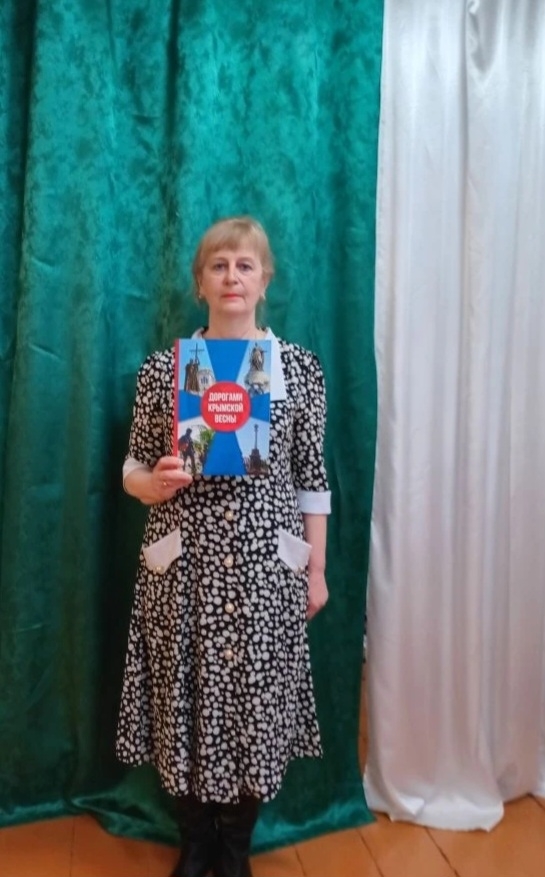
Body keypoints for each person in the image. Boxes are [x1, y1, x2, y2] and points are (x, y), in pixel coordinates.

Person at [117, 216, 331, 877]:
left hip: (266, 571)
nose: (231, 276)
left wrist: (316, 569)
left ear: (265, 280)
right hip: (182, 567)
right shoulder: (164, 370)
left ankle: (235, 845)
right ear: (200, 283)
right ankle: (196, 840)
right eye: (218, 265)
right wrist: (153, 481)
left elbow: (312, 479)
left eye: (244, 264)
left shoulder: (298, 370)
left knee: (255, 707)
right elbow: (131, 469)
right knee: (180, 702)